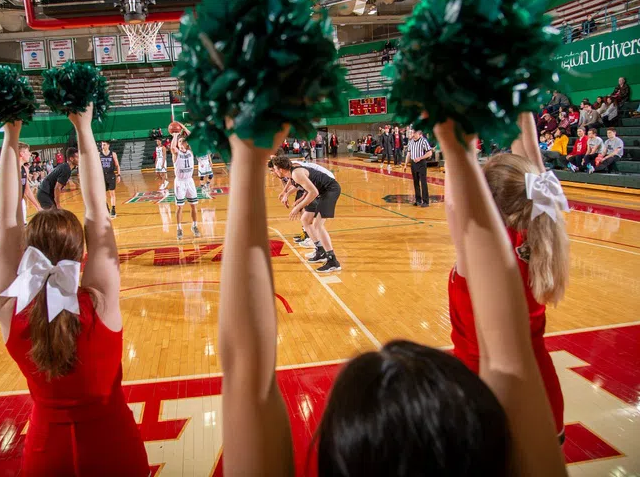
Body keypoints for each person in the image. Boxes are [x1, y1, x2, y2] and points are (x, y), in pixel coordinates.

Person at [218, 118, 566, 476]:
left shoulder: (488, 266)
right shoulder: (543, 237)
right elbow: (529, 175)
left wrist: (245, 155)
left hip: (487, 395)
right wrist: (456, 141)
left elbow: (246, 372)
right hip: (534, 396)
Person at [0, 105, 150, 476]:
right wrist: (83, 127)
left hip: (46, 454)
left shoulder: (11, 310)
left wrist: (10, 135)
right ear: (81, 255)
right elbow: (98, 211)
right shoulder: (98, 302)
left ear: (28, 255)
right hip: (114, 449)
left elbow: (10, 218)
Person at [448, 112, 569, 444]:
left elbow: (457, 186)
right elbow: (530, 157)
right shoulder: (543, 229)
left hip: (484, 394)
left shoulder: (475, 254)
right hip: (542, 394)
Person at [271, 154, 342, 272]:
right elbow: (307, 188)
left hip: (330, 190)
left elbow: (313, 192)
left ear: (281, 170)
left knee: (317, 225)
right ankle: (320, 251)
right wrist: (290, 196)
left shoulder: (296, 174)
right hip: (322, 191)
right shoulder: (292, 174)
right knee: (305, 220)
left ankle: (332, 260)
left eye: (275, 168)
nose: (274, 171)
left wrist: (298, 206)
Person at [0, 142, 42, 240]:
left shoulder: (24, 169)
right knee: (6, 246)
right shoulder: (6, 169)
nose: (30, 154)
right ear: (21, 154)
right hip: (2, 210)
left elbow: (27, 191)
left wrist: (38, 207)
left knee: (21, 241)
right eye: (28, 152)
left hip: (16, 209)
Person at [169, 122, 201, 240]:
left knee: (194, 205)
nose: (181, 143)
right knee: (179, 207)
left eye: (183, 141)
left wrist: (183, 127)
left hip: (189, 181)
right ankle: (179, 228)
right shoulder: (176, 153)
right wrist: (175, 136)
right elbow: (172, 147)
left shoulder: (190, 152)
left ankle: (195, 226)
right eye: (179, 142)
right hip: (180, 182)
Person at [403, 130, 433, 207]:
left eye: (415, 133)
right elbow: (409, 153)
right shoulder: (411, 142)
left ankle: (426, 201)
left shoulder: (423, 141)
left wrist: (420, 158)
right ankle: (418, 200)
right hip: (413, 163)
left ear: (419, 134)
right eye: (412, 133)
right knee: (415, 182)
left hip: (421, 163)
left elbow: (429, 153)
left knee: (423, 182)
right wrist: (405, 164)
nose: (413, 134)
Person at [99, 141, 121, 218]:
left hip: (111, 175)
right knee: (103, 194)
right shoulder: (99, 154)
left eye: (104, 145)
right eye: (102, 145)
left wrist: (119, 175)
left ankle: (113, 209)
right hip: (102, 176)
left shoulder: (113, 154)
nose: (102, 146)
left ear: (108, 145)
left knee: (112, 193)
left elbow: (117, 165)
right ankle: (106, 208)